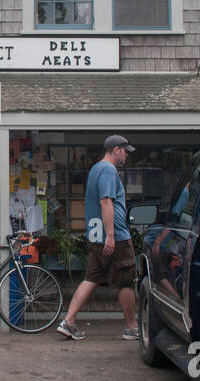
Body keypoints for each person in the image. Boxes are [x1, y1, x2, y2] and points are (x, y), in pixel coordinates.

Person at [57, 135, 140, 341]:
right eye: (125, 151)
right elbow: (106, 202)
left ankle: (68, 322)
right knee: (126, 281)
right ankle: (132, 328)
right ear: (116, 150)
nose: (127, 155)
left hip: (95, 234)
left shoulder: (95, 169)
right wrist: (111, 235)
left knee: (91, 278)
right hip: (115, 236)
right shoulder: (108, 170)